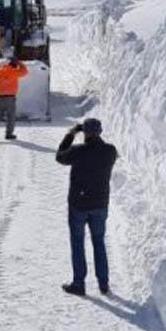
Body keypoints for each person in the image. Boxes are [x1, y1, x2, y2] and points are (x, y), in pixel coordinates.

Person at [55, 118, 118, 296]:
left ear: (85, 133)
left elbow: (60, 156)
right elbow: (102, 151)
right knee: (99, 242)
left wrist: (70, 134)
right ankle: (104, 284)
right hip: (100, 205)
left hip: (79, 204)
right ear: (100, 131)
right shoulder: (110, 151)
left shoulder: (78, 151)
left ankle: (79, 283)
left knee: (77, 242)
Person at [0, 55, 28, 141]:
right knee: (11, 116)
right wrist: (19, 63)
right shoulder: (14, 72)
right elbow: (25, 72)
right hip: (10, 97)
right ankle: (9, 134)